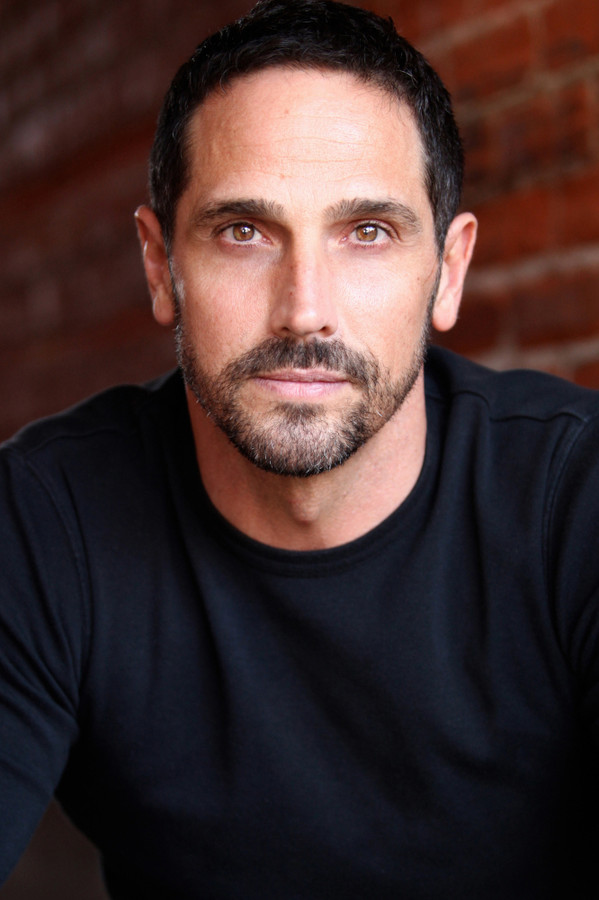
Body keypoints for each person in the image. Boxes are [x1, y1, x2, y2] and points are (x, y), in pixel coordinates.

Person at [1, 1, 598, 897]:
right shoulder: (46, 522)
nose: (304, 310)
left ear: (448, 270)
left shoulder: (576, 497)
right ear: (161, 266)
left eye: (368, 233)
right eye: (243, 231)